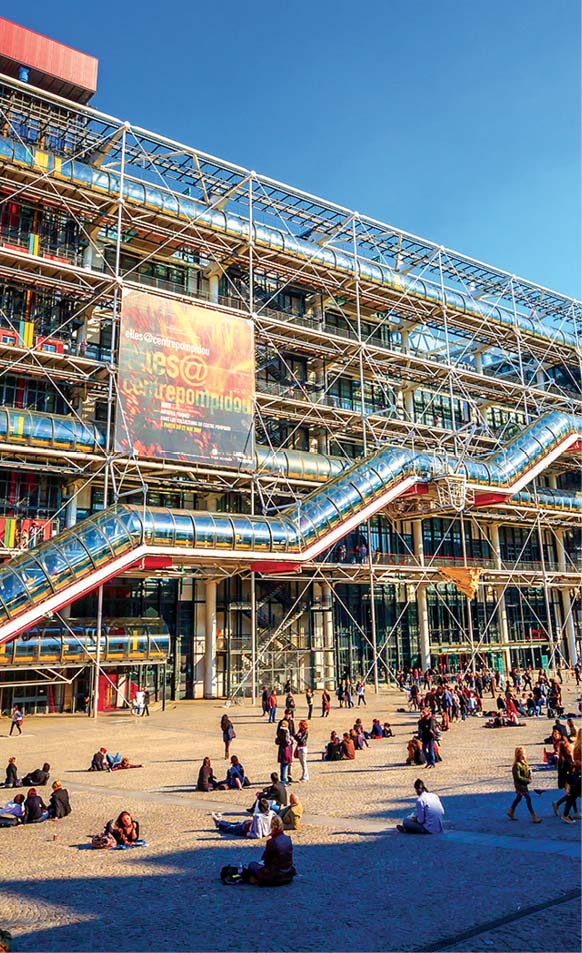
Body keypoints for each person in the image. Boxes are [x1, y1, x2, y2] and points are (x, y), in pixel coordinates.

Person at [246, 815, 296, 886]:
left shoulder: (271, 842)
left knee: (252, 865)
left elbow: (267, 861)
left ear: (272, 827)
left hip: (276, 875)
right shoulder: (288, 838)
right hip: (287, 872)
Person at [507, 747, 541, 823]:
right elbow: (517, 777)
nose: (525, 755)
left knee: (518, 798)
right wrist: (527, 780)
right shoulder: (517, 765)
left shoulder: (524, 762)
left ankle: (511, 811)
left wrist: (530, 774)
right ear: (519, 755)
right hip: (520, 785)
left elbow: (526, 771)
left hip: (523, 784)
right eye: (523, 754)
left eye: (525, 754)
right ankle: (533, 816)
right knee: (528, 799)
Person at [560, 730, 581, 824]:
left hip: (576, 776)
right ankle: (565, 814)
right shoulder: (578, 747)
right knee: (573, 795)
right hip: (575, 776)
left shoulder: (573, 751)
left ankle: (567, 813)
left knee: (573, 795)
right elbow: (564, 772)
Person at [276, 720, 292, 785]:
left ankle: (284, 778)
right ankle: (283, 779)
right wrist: (291, 741)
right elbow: (287, 741)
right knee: (284, 764)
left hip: (281, 748)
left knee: (283, 765)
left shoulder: (280, 731)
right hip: (285, 749)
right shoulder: (285, 731)